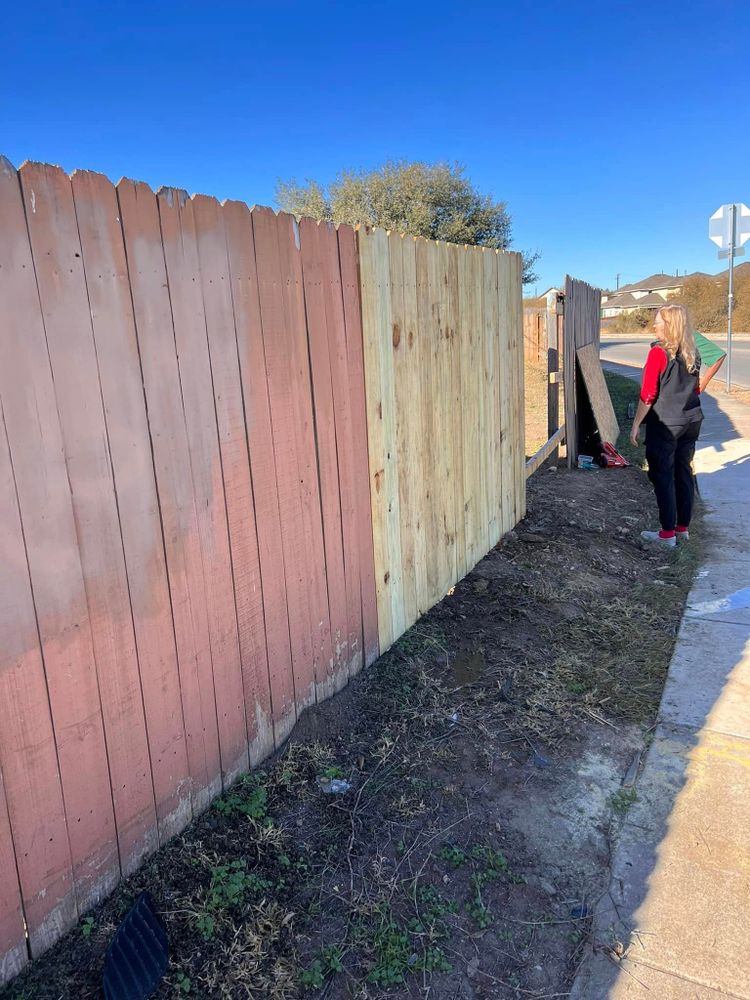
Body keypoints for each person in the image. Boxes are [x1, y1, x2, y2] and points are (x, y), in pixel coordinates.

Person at [629, 304, 703, 548]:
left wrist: (637, 423)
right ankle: (682, 529)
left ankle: (667, 534)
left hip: (667, 423)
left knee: (663, 475)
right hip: (691, 420)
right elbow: (694, 387)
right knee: (683, 472)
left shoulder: (658, 353)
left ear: (669, 325)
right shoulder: (693, 352)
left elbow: (648, 394)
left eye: (658, 322)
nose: (654, 325)